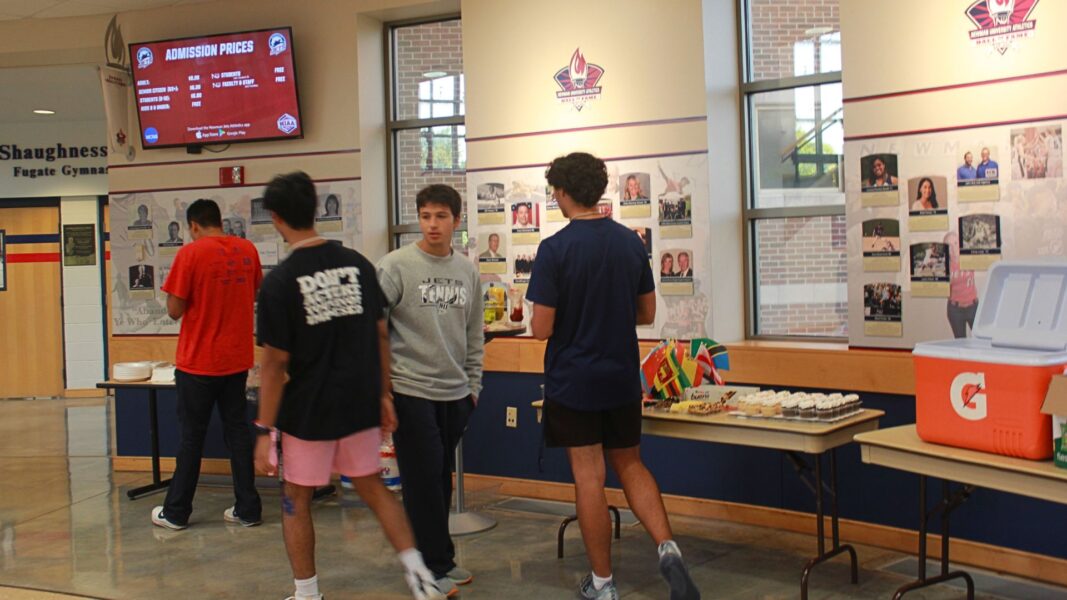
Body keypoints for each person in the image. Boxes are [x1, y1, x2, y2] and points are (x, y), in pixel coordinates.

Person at [252, 172, 445, 600]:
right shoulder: (357, 264)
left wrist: (265, 431)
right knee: (375, 488)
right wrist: (383, 393)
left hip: (307, 413)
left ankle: (306, 594)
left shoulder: (280, 283)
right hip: (359, 403)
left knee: (295, 499)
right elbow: (380, 333)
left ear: (277, 218)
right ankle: (420, 576)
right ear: (315, 209)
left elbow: (274, 365)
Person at [528, 152, 700, 600]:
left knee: (589, 477)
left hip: (574, 379)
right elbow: (646, 313)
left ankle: (603, 584)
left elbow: (541, 327)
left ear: (563, 193)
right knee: (631, 463)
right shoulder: (629, 243)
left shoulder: (554, 249)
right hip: (621, 376)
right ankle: (668, 549)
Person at [377, 184, 484, 597]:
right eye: (425, 216)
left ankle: (441, 559)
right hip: (410, 388)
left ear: (456, 221)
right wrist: (384, 390)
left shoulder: (466, 270)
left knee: (440, 479)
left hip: (456, 393)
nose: (432, 224)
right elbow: (374, 328)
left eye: (441, 216)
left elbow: (475, 333)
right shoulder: (396, 266)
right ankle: (430, 567)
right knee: (422, 482)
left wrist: (473, 387)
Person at [151, 199, 262, 531]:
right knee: (239, 434)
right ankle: (248, 508)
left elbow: (174, 309)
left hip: (198, 363)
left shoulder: (190, 254)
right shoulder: (248, 250)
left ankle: (176, 512)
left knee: (191, 438)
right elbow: (253, 291)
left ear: (194, 226)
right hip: (236, 360)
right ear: (219, 221)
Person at [945, 231, 978, 338]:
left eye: (955, 243)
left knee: (980, 341)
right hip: (955, 310)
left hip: (973, 307)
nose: (953, 249)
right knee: (960, 343)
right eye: (949, 246)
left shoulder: (970, 258)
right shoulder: (943, 266)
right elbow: (942, 288)